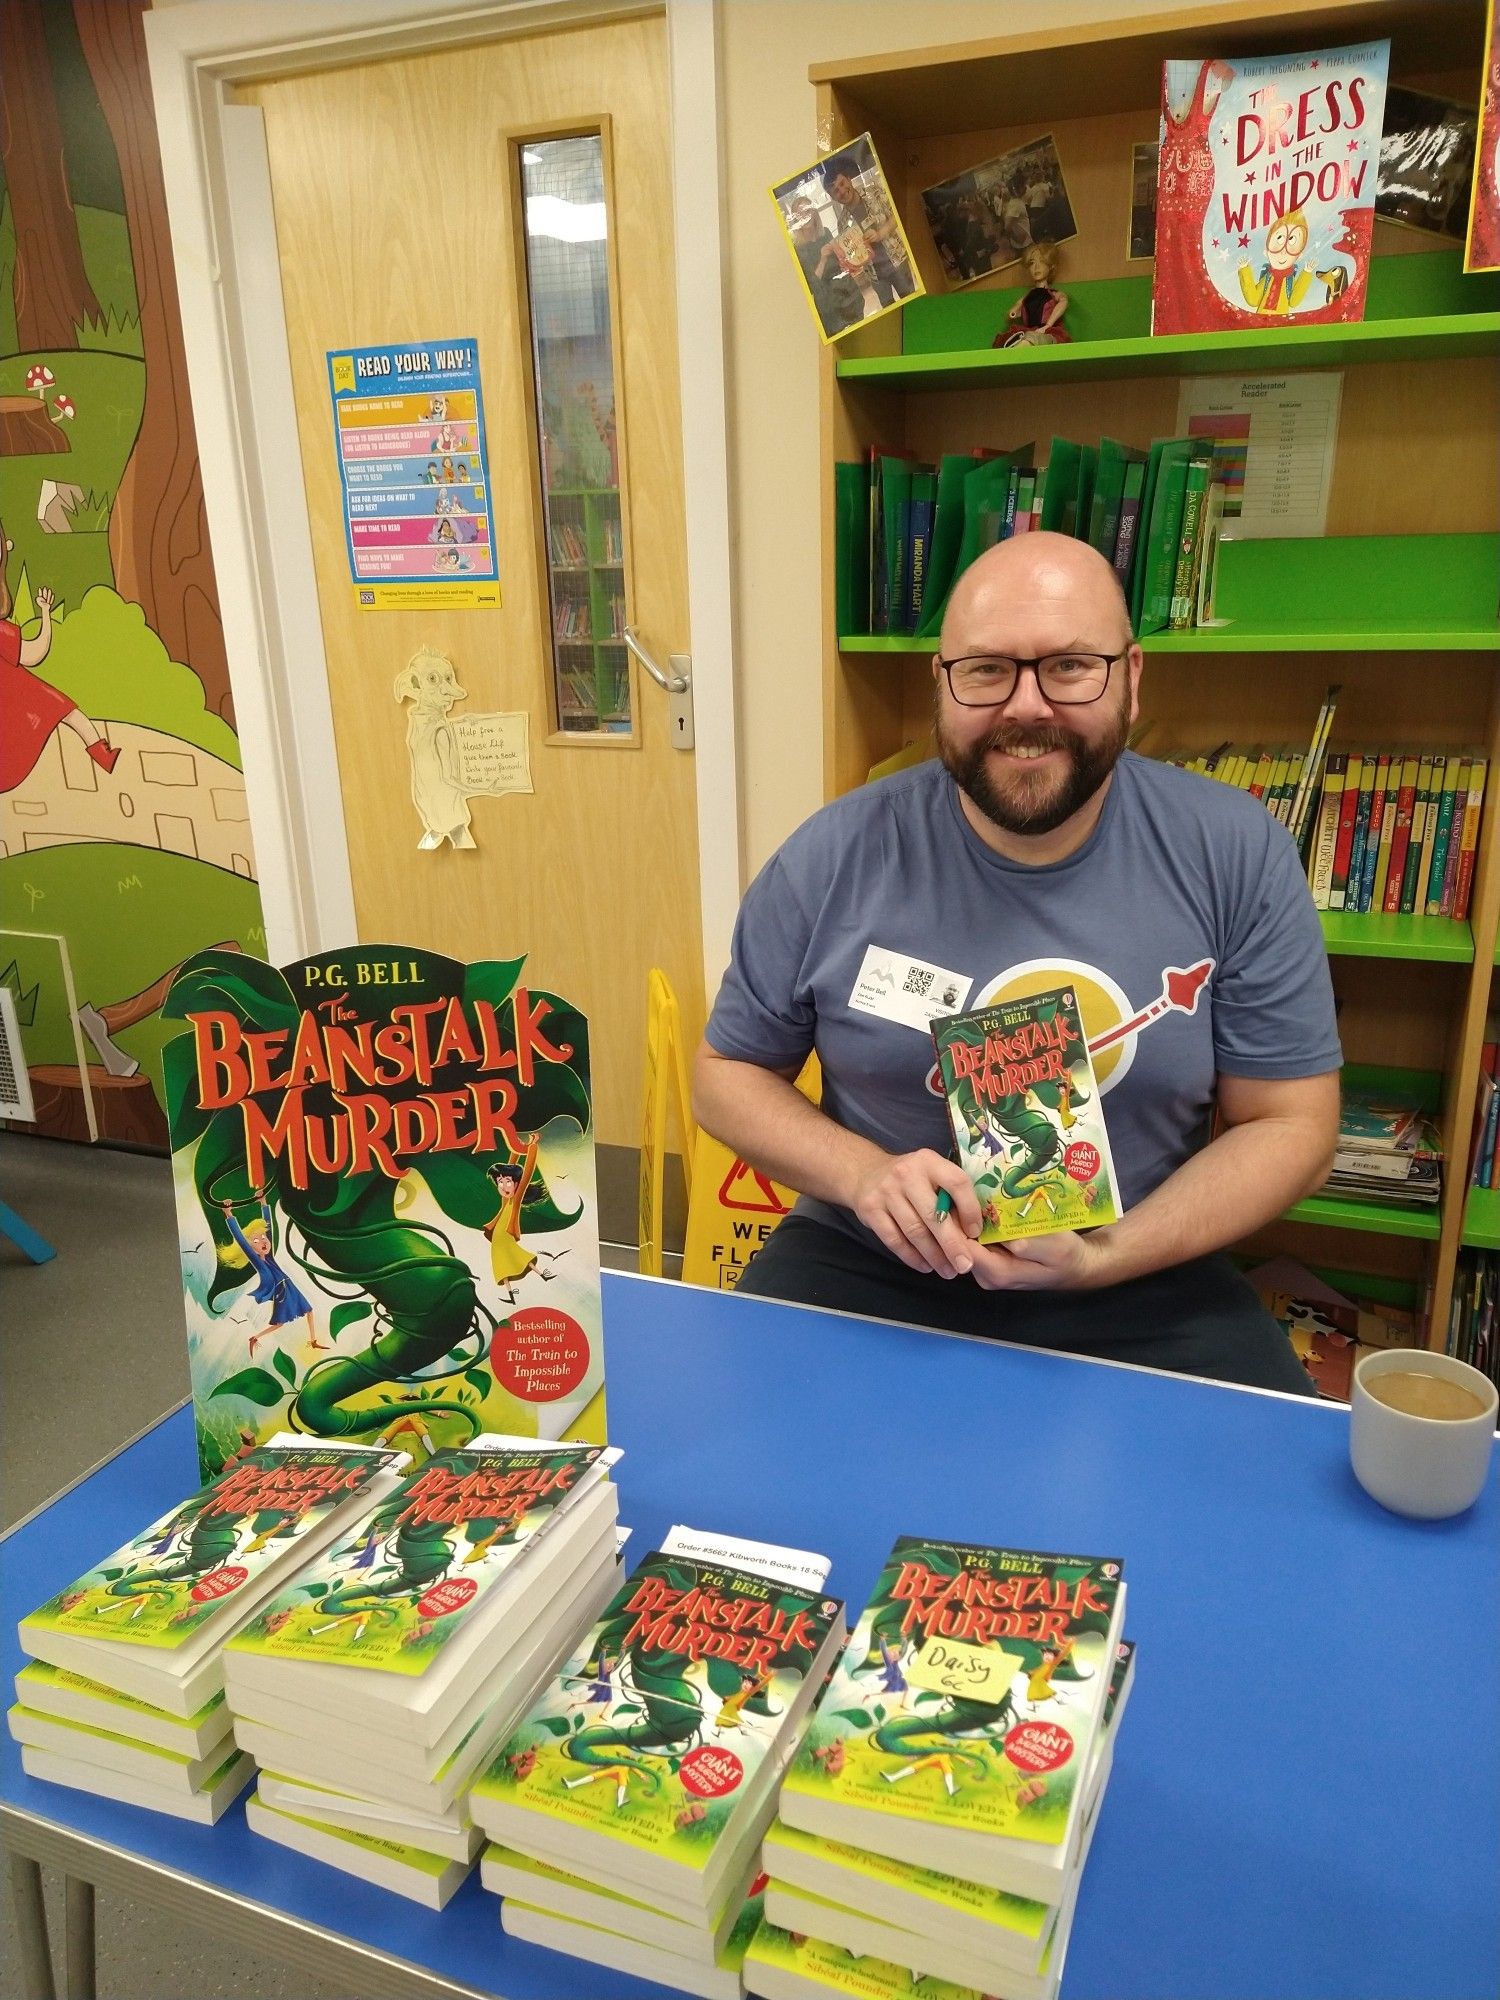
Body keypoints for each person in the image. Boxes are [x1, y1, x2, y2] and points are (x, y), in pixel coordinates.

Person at [694, 533, 1341, 1394]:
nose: (1025, 706)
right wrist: (864, 1175)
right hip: (871, 1262)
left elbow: (1292, 1125)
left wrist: (1105, 1256)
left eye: (1071, 666)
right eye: (987, 669)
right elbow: (725, 1074)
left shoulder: (1234, 852)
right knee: (738, 1474)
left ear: (1132, 676)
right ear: (941, 681)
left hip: (1143, 1272)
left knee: (1269, 1497)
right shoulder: (834, 855)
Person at [822, 154, 915, 309]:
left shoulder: (875, 192)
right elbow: (851, 253)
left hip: (897, 261)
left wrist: (880, 234)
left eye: (842, 183)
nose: (842, 191)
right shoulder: (842, 223)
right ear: (833, 197)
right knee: (893, 313)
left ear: (849, 179)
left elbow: (898, 215)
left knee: (913, 303)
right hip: (875, 275)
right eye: (836, 191)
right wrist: (849, 262)